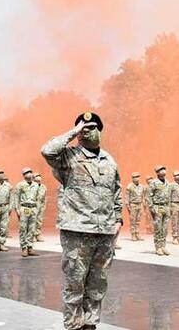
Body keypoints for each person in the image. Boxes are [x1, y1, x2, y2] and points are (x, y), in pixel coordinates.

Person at [41, 111, 122, 330]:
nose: (90, 131)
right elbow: (47, 150)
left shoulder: (109, 161)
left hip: (104, 233)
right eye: (85, 128)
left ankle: (90, 325)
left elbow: (116, 192)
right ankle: (73, 326)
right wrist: (74, 130)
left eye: (94, 127)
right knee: (74, 285)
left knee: (97, 286)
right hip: (77, 232)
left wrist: (119, 220)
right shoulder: (68, 157)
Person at [13, 168, 40, 257]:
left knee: (32, 229)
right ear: (23, 175)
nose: (29, 174)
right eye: (26, 173)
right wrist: (17, 209)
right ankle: (24, 248)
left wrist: (37, 208)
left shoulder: (36, 185)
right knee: (23, 229)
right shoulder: (20, 185)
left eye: (30, 172)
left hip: (33, 208)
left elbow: (38, 198)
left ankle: (30, 247)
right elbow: (16, 197)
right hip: (24, 208)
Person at [147, 165, 172, 256]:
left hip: (166, 207)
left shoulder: (168, 182)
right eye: (160, 170)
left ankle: (163, 246)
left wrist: (169, 207)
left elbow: (169, 196)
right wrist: (152, 207)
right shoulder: (154, 183)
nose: (163, 171)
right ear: (157, 173)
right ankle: (158, 247)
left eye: (164, 169)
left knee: (165, 228)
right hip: (158, 207)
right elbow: (149, 196)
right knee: (158, 228)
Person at [125, 172, 145, 241]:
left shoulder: (142, 186)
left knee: (138, 221)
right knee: (133, 221)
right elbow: (127, 196)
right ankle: (133, 234)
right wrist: (127, 205)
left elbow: (143, 196)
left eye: (137, 177)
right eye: (134, 177)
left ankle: (137, 234)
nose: (136, 178)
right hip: (133, 205)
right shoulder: (129, 186)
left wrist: (144, 204)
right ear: (132, 178)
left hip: (140, 204)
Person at [34, 173, 47, 242]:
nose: (38, 178)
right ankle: (32, 235)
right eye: (36, 176)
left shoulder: (43, 187)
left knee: (39, 221)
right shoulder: (32, 186)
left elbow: (44, 197)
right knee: (33, 220)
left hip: (40, 205)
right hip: (33, 205)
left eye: (39, 176)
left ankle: (38, 234)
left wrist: (44, 206)